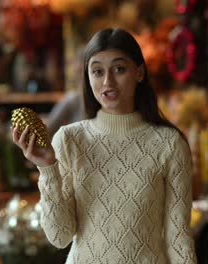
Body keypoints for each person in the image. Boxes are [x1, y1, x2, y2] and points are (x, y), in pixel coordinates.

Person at [12, 28, 196, 263]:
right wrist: (48, 168)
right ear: (88, 77)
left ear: (139, 72)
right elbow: (59, 236)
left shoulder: (169, 144)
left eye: (119, 69)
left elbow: (178, 240)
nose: (107, 81)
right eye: (97, 71)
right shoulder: (68, 140)